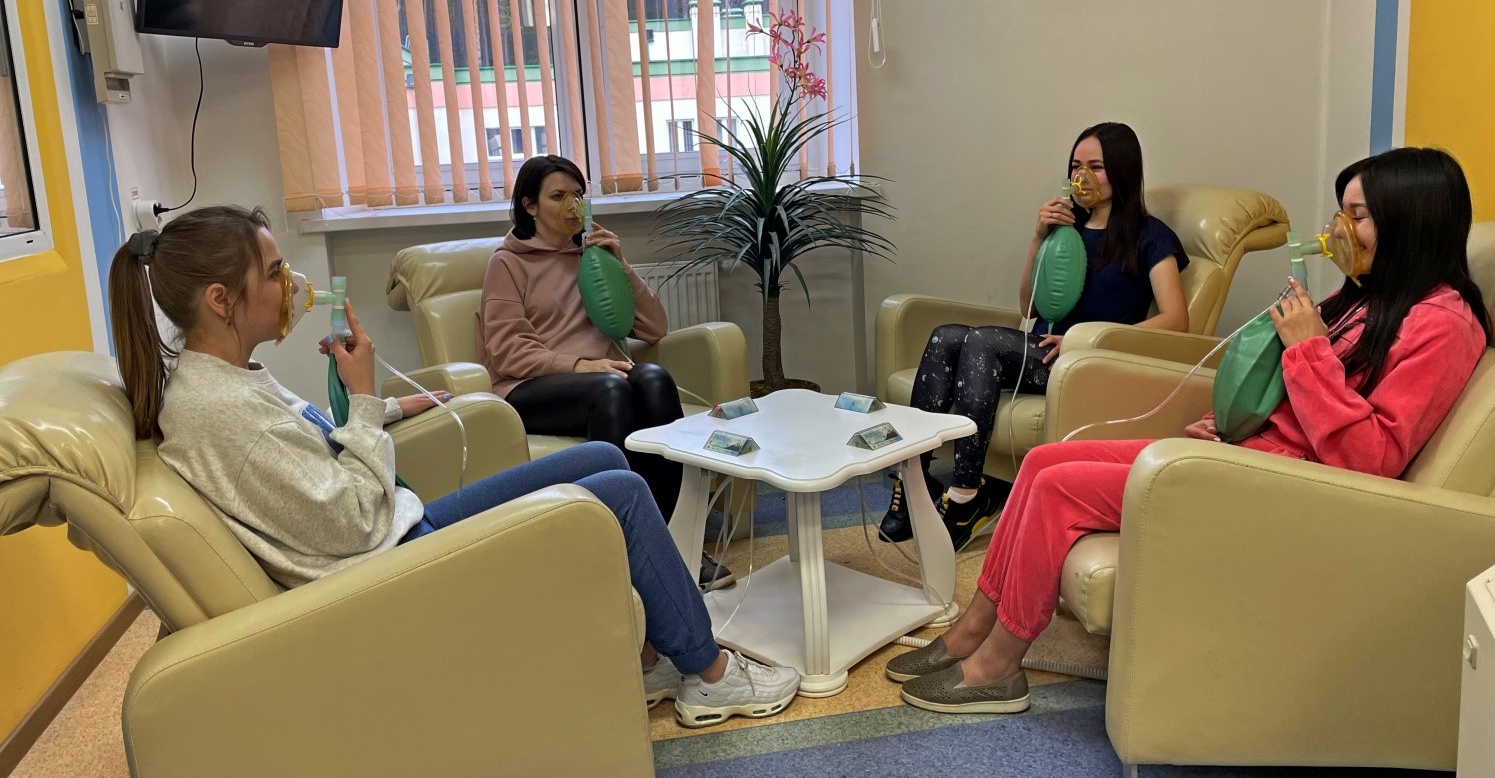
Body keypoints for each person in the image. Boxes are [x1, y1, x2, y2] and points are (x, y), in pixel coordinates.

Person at [107, 205, 799, 728]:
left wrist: (387, 405)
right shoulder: (220, 410)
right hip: (389, 564)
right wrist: (365, 397)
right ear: (220, 300)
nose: (290, 284)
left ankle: (651, 657)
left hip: (396, 534)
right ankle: (710, 674)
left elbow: (312, 449)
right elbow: (352, 519)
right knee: (617, 488)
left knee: (598, 455)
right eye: (272, 272)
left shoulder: (224, 379)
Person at [886, 147, 1490, 714]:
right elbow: (1290, 399)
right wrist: (1230, 423)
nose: (1339, 230)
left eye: (1357, 216)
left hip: (1289, 489)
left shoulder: (1444, 324)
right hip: (1249, 455)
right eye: (1342, 212)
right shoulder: (1369, 298)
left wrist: (1306, 350)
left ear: (1410, 222)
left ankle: (998, 667)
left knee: (1056, 489)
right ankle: (973, 629)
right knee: (1044, 461)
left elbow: (1371, 457)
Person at [880, 123, 1190, 550]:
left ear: (1122, 170)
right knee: (946, 336)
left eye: (1096, 166)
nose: (1082, 176)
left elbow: (1176, 321)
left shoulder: (1151, 236)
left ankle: (967, 494)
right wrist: (1037, 237)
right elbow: (1029, 309)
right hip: (1041, 350)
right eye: (1076, 166)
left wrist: (1085, 341)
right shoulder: (1066, 228)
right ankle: (913, 478)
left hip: (1084, 363)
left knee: (981, 341)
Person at [476, 155, 733, 591]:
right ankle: (622, 551)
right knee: (612, 390)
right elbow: (506, 352)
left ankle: (675, 542)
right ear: (530, 206)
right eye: (558, 196)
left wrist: (622, 265)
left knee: (654, 379)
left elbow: (654, 328)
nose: (572, 205)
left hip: (600, 379)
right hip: (530, 386)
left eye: (578, 195)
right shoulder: (507, 263)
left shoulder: (592, 255)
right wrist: (579, 365)